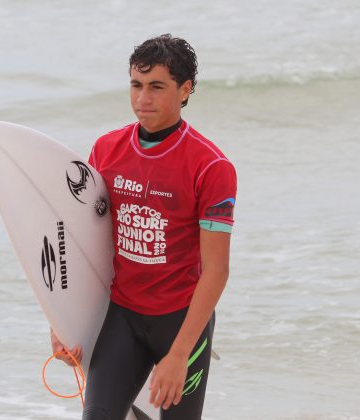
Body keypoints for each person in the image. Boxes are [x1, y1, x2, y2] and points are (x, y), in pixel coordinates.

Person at [51, 33, 236, 420]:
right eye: (136, 85)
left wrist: (179, 355)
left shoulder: (211, 167)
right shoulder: (106, 150)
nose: (142, 99)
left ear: (185, 90)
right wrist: (63, 322)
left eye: (156, 87)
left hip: (182, 321)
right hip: (123, 316)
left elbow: (216, 271)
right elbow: (84, 245)